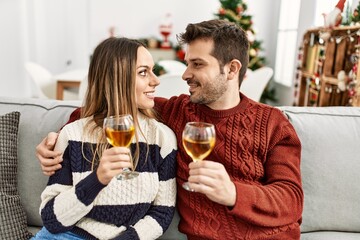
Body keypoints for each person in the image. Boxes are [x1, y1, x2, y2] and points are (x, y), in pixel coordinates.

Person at [36, 19, 303, 239]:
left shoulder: (273, 123)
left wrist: (233, 193)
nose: (185, 74)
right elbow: (114, 105)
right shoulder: (176, 112)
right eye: (187, 63)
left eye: (197, 64)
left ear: (232, 69)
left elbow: (292, 200)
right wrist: (59, 136)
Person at [32, 37, 177, 239]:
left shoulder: (161, 138)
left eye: (153, 70)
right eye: (143, 72)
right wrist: (97, 180)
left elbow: (162, 212)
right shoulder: (72, 135)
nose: (156, 80)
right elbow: (51, 220)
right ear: (117, 79)